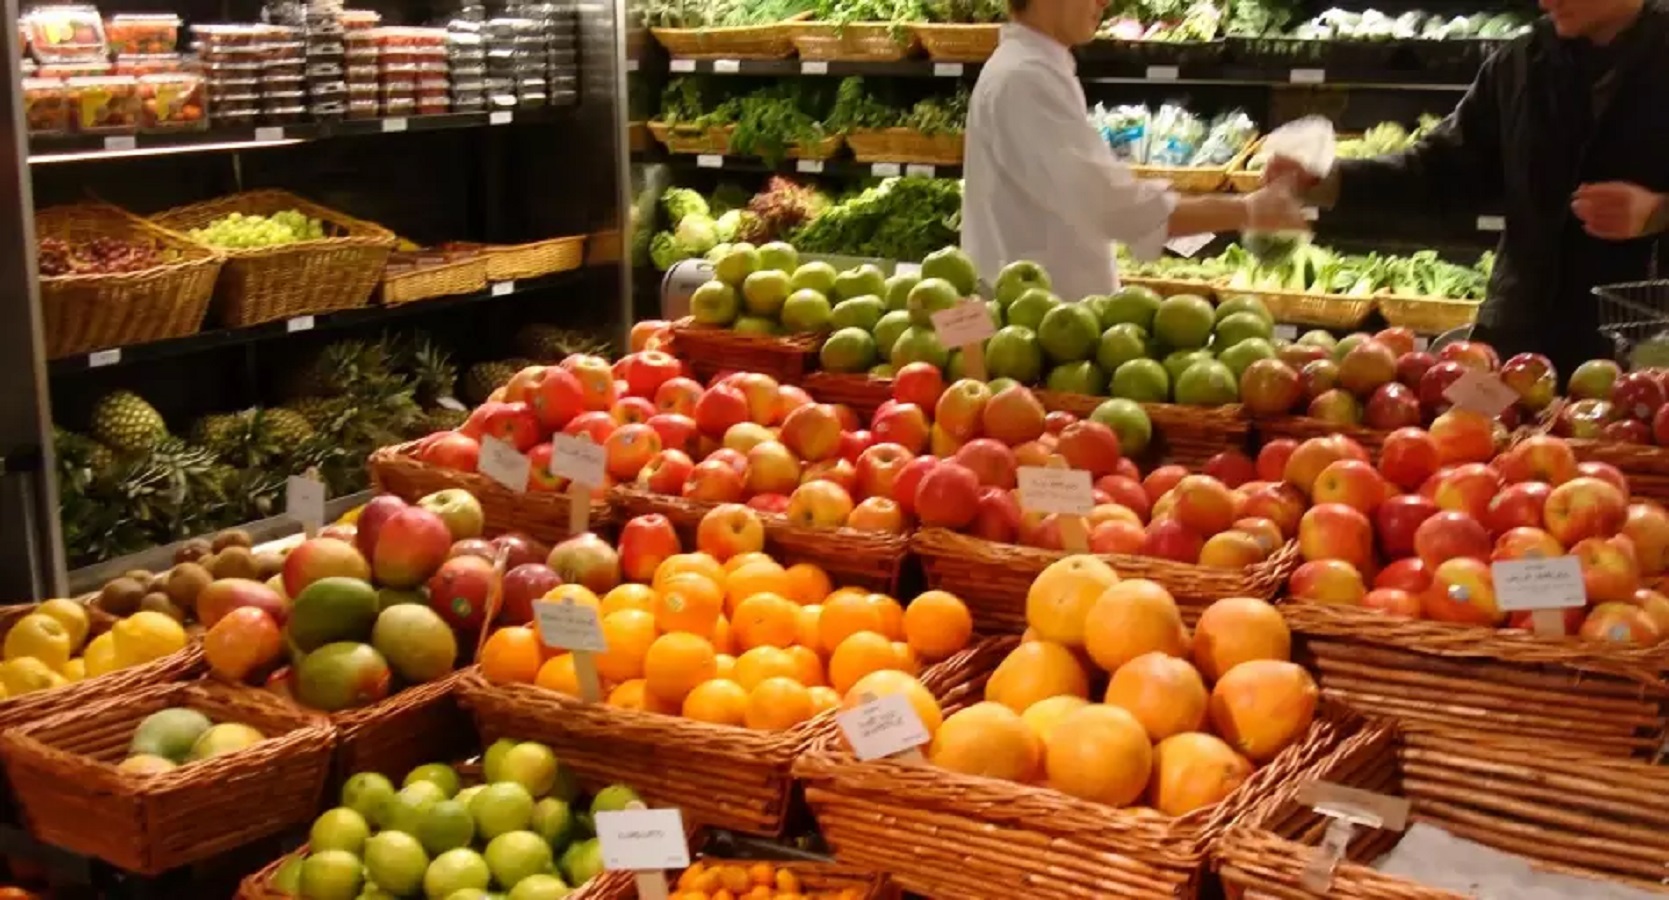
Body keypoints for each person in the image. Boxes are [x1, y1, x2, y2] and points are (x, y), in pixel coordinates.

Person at [1267, 0, 1669, 375]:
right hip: (1519, 345)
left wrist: (1659, 213)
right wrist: (1330, 178)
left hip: (1645, 354)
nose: (1546, 2)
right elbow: (1441, 171)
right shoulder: (1521, 64)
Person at [961, 0, 1307, 303]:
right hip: (1039, 325)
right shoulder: (1025, 78)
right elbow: (1111, 206)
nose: (1105, 1)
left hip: (1045, 318)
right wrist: (1247, 209)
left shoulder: (1030, 68)